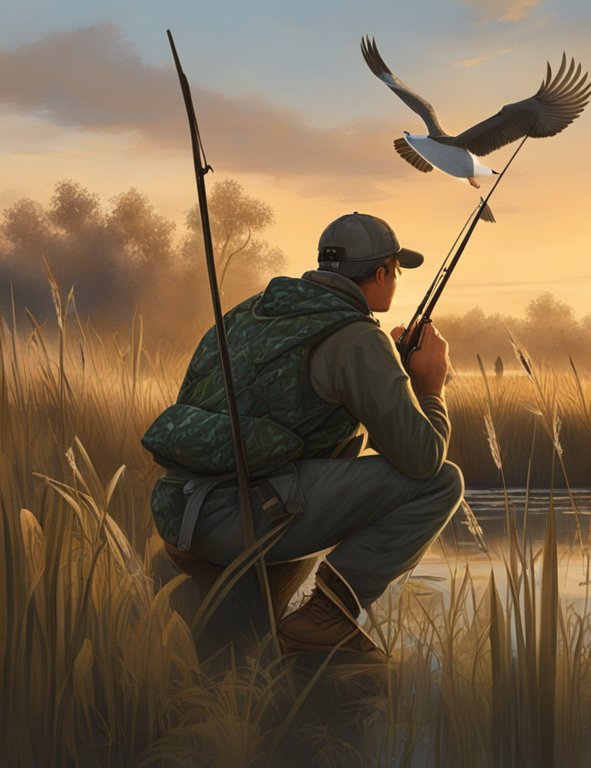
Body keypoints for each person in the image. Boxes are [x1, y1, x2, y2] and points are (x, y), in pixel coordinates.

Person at [142, 212, 462, 654]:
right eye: (397, 271)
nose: (395, 280)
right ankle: (327, 616)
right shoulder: (358, 338)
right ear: (382, 273)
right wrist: (429, 387)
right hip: (239, 520)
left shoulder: (250, 313)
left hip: (181, 510)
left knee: (241, 654)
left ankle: (238, 604)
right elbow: (422, 460)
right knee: (442, 483)